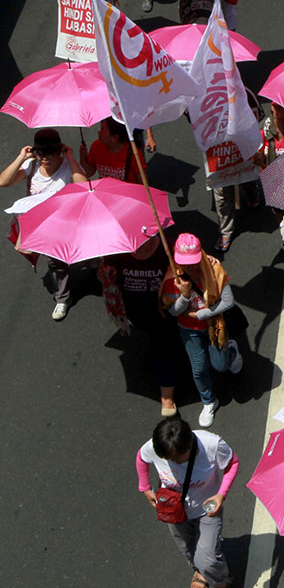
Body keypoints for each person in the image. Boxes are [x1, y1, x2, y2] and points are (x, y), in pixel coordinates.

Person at [136, 417, 239, 588]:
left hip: (206, 509)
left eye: (177, 459)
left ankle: (220, 584)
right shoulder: (156, 447)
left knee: (208, 558)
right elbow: (141, 458)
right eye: (168, 459)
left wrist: (221, 494)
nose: (172, 462)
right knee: (185, 546)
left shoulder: (212, 444)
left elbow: (232, 464)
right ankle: (199, 569)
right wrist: (144, 488)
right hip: (174, 508)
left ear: (190, 447)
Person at [0, 128, 89, 321]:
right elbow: (3, 182)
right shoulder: (31, 166)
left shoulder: (67, 166)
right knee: (55, 262)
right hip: (43, 225)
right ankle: (63, 298)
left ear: (60, 151)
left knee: (82, 256)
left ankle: (93, 269)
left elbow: (84, 185)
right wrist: (21, 158)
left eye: (50, 154)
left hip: (68, 221)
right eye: (41, 154)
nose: (45, 159)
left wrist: (72, 158)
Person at [160, 233, 242, 428]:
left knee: (220, 366)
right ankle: (208, 401)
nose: (189, 266)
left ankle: (231, 350)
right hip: (189, 330)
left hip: (214, 327)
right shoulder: (173, 277)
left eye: (193, 261)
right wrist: (186, 296)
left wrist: (202, 314)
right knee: (199, 368)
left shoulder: (214, 268)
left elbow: (228, 301)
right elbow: (173, 311)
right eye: (184, 262)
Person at [100, 232, 181, 416]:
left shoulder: (167, 247)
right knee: (158, 338)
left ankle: (167, 397)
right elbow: (108, 277)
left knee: (161, 347)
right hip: (135, 311)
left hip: (164, 309)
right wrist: (105, 274)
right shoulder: (116, 251)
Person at [80, 117, 135, 181]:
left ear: (114, 137)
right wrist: (83, 158)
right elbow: (89, 173)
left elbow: (141, 182)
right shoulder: (96, 146)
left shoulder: (132, 153)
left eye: (102, 130)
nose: (99, 132)